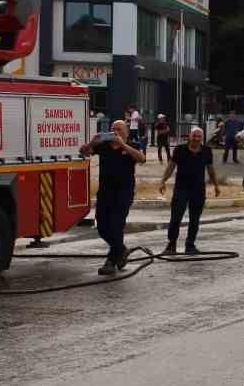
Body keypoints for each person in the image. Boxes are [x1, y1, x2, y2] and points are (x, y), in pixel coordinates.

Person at [80, 118, 146, 276]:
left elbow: (142, 159)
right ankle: (121, 250)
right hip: (105, 192)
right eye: (113, 129)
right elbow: (83, 152)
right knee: (102, 227)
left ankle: (110, 261)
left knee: (116, 226)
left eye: (119, 129)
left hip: (123, 192)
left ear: (126, 133)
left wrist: (123, 145)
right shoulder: (104, 146)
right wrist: (93, 142)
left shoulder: (132, 145)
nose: (115, 132)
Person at [159, 126, 221, 255]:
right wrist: (163, 181)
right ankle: (171, 245)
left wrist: (216, 185)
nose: (196, 139)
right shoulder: (180, 149)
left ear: (202, 138)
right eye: (194, 136)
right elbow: (171, 166)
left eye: (199, 136)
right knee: (176, 217)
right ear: (189, 136)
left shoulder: (206, 151)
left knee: (195, 218)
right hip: (181, 188)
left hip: (198, 189)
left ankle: (190, 245)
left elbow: (210, 169)